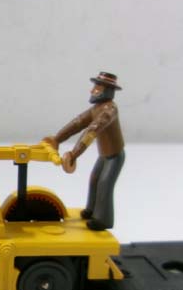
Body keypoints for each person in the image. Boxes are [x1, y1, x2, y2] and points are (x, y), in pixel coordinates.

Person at [43, 71, 125, 230]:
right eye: (94, 87)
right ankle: (92, 210)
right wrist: (57, 139)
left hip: (114, 156)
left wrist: (74, 154)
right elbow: (78, 122)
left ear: (107, 91)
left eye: (97, 88)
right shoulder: (96, 108)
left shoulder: (109, 110)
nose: (92, 90)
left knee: (104, 184)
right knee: (94, 179)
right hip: (104, 155)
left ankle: (103, 220)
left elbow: (91, 131)